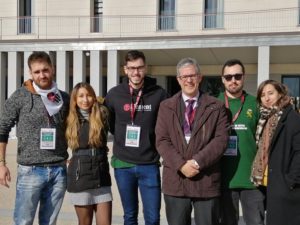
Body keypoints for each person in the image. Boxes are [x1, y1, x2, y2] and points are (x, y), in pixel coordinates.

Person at [155, 57, 229, 225]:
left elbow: (221, 140)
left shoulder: (216, 106)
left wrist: (196, 162)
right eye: (184, 77)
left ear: (200, 77)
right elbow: (162, 140)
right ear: (178, 80)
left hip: (206, 180)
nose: (189, 80)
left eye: (193, 75)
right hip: (176, 180)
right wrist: (181, 165)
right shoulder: (166, 106)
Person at [0, 51, 70, 225]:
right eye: (37, 72)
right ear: (30, 73)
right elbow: (2, 128)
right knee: (24, 222)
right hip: (30, 171)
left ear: (52, 69)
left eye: (45, 70)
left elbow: (74, 129)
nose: (42, 75)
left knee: (49, 222)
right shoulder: (20, 96)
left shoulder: (63, 98)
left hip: (58, 171)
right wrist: (1, 164)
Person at [104, 50, 168, 225]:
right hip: (123, 165)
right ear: (125, 69)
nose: (136, 72)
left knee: (153, 218)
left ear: (145, 68)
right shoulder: (114, 94)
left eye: (139, 67)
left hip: (149, 164)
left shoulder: (159, 94)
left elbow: (164, 125)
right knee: (130, 216)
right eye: (131, 68)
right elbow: (109, 123)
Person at [217, 59, 265, 225]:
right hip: (223, 180)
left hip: (251, 181)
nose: (233, 80)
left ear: (244, 77)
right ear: (222, 79)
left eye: (237, 76)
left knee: (256, 222)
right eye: (228, 77)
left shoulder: (256, 103)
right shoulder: (214, 103)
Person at [251, 80, 300, 225]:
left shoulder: (292, 118)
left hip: (284, 188)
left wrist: (290, 182)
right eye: (262, 95)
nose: (266, 98)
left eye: (270, 93)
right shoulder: (265, 118)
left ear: (280, 93)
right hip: (266, 185)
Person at [66, 82, 112, 225]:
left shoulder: (102, 114)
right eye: (80, 96)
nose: (85, 100)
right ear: (74, 99)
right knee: (84, 222)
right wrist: (64, 159)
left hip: (101, 175)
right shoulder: (69, 119)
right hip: (80, 177)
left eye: (89, 95)